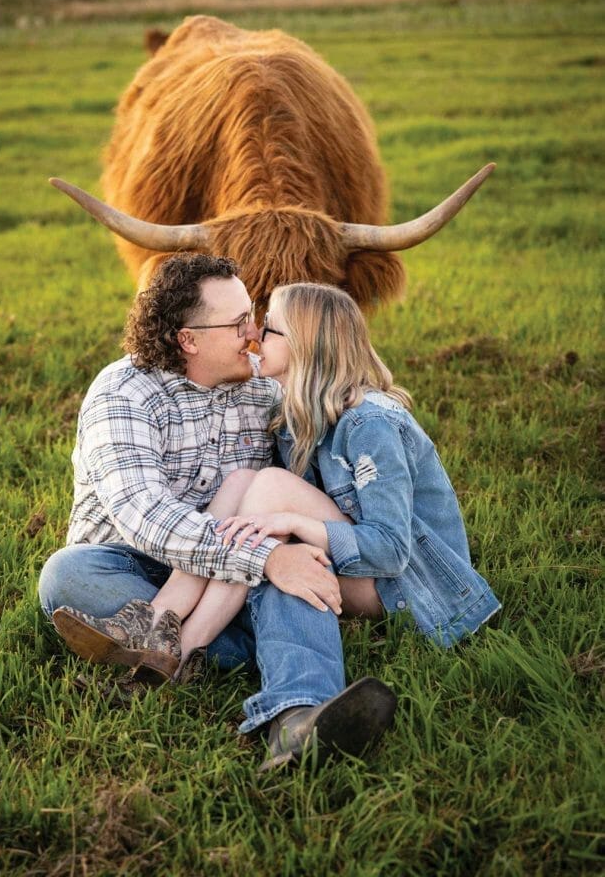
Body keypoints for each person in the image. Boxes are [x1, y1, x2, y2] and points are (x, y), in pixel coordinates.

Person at [39, 255, 397, 769]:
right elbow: (147, 517)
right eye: (237, 323)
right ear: (188, 339)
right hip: (138, 565)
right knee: (67, 574)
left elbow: (303, 487)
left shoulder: (266, 390)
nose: (255, 332)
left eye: (252, 315)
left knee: (296, 562)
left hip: (227, 581)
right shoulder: (123, 394)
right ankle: (246, 647)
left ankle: (297, 715)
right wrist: (265, 559)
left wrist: (290, 552)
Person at [218, 282, 501, 649]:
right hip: (357, 567)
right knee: (243, 481)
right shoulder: (294, 416)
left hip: (410, 589)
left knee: (271, 486)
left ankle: (193, 638)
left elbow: (390, 552)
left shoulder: (370, 425)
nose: (255, 335)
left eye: (269, 328)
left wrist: (293, 522)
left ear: (305, 344)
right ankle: (174, 614)